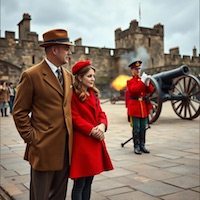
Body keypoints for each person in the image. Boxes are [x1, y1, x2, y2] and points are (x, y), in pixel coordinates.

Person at [12, 29, 74, 200]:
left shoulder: (68, 76)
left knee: (59, 196)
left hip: (65, 148)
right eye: (66, 48)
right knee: (41, 195)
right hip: (43, 148)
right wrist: (32, 139)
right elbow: (19, 112)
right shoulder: (32, 75)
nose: (69, 52)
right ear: (54, 50)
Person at [69, 60, 114, 200]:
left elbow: (101, 113)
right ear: (80, 78)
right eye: (89, 76)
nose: (93, 79)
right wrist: (92, 130)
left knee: (89, 182)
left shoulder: (93, 93)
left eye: (93, 76)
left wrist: (102, 126)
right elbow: (74, 118)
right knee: (79, 184)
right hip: (82, 142)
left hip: (95, 140)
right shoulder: (73, 94)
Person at [126, 59, 154, 155]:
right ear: (132, 70)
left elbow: (150, 90)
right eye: (135, 69)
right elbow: (134, 90)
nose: (138, 71)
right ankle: (136, 146)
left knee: (143, 127)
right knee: (136, 128)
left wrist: (148, 83)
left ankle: (142, 145)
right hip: (135, 107)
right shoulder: (130, 81)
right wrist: (142, 82)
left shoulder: (142, 79)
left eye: (139, 69)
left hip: (143, 107)